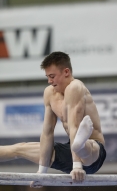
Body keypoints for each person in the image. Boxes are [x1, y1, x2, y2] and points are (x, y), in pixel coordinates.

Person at [0, 52, 106, 187]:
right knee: (19, 148)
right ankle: (77, 146)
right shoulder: (49, 93)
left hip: (93, 156)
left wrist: (77, 166)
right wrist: (41, 173)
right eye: (47, 77)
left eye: (52, 76)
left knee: (88, 146)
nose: (49, 81)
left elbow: (74, 125)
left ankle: (80, 145)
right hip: (71, 151)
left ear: (66, 72)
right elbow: (47, 132)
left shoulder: (75, 87)